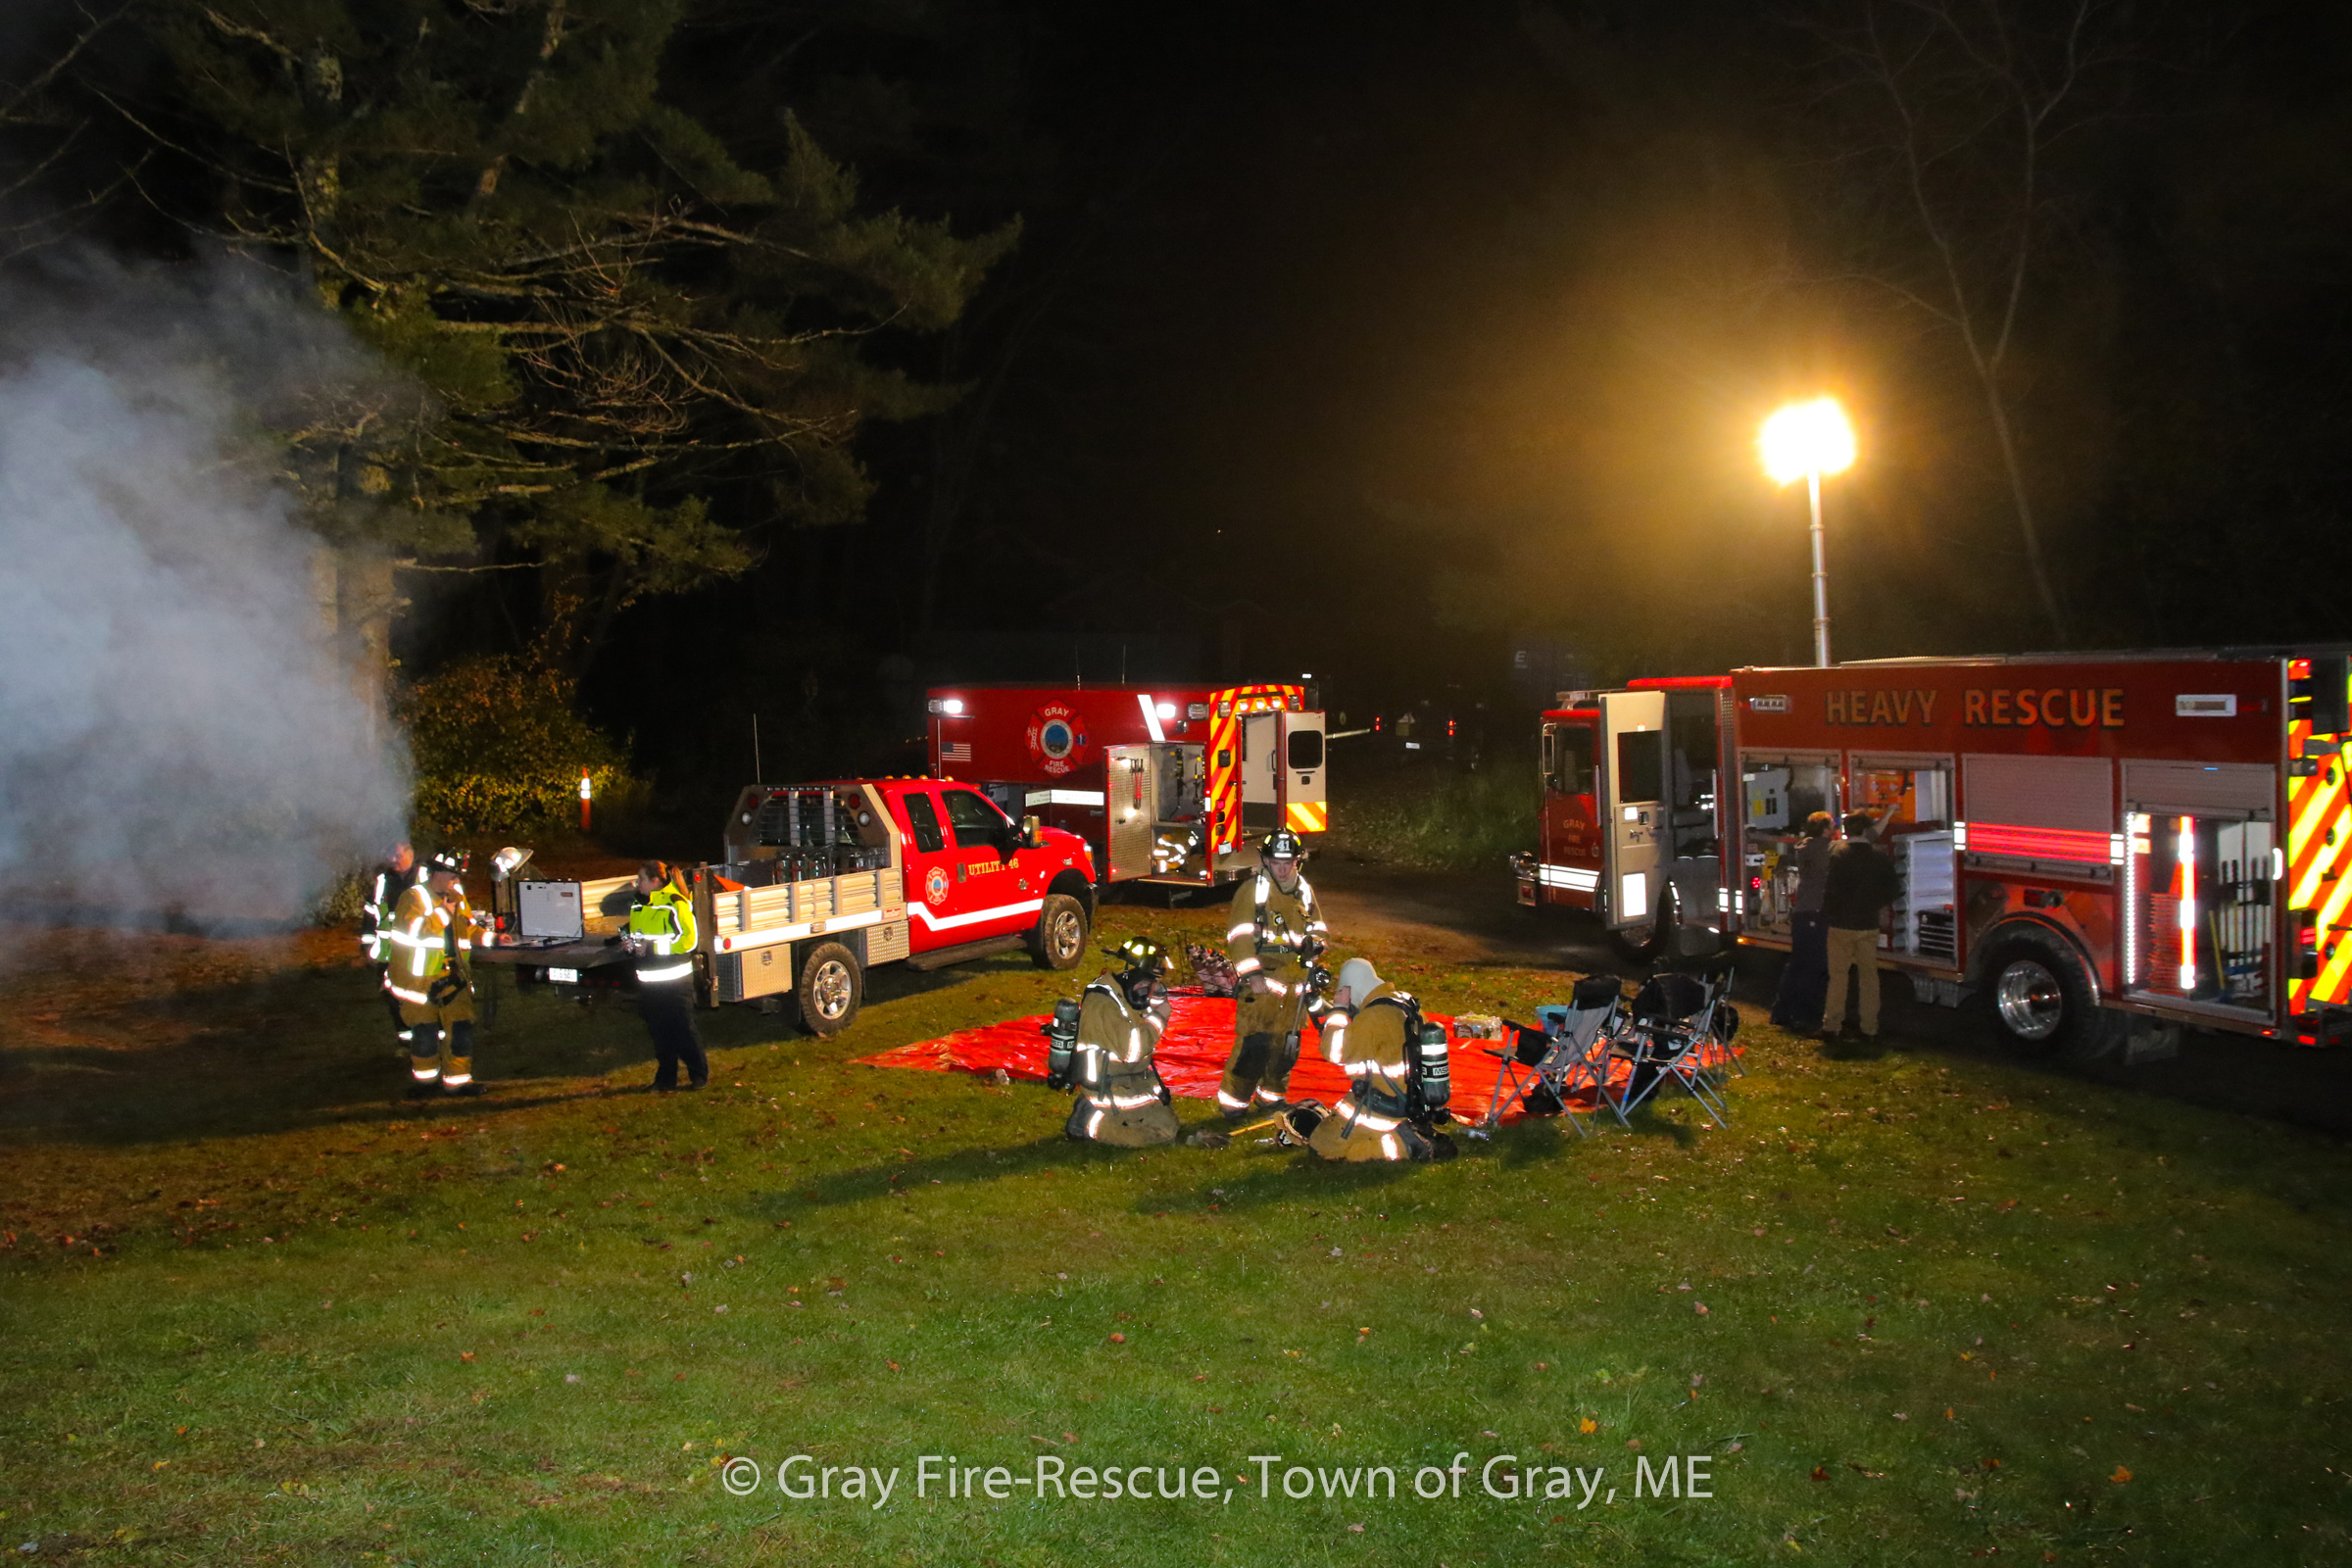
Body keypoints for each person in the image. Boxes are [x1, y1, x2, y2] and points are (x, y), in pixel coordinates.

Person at [1216, 829, 1330, 1119]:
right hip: (1263, 983)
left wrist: (1317, 944)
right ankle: (1234, 1103)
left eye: (1287, 862)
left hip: (1295, 984)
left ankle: (1271, 1099)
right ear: (1266, 861)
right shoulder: (1252, 891)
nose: (1282, 869)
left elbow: (1318, 926)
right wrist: (1252, 974)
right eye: (1276, 862)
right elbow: (1240, 936)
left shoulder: (1304, 890)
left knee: (1285, 1050)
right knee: (1254, 1046)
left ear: (1297, 862)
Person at [1304, 956, 1437, 1162]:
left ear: (1350, 990)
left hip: (1383, 1105)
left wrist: (1339, 1010)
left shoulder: (1374, 1017)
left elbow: (1334, 1051)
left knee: (1324, 1144)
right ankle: (1410, 1130)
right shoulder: (1405, 1001)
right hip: (1415, 1099)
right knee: (1333, 1123)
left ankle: (1405, 1144)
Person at [1058, 936, 1180, 1147]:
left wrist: (1155, 1002)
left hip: (1133, 1082)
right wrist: (1160, 1015)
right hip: (1105, 1087)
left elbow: (1140, 1019)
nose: (1149, 989)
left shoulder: (1127, 993)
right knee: (1139, 1139)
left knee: (1169, 1129)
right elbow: (1134, 1050)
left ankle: (1119, 1118)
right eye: (1147, 983)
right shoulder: (1102, 1004)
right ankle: (1085, 1118)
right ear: (1128, 974)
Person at [387, 851, 483, 1098]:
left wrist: (493, 938)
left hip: (454, 975)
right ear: (437, 873)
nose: (456, 881)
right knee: (425, 1033)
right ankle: (425, 1084)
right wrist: (443, 913)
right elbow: (413, 932)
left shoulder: (456, 896)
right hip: (420, 981)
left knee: (461, 1028)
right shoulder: (413, 897)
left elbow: (467, 928)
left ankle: (458, 1082)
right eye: (453, 876)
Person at [625, 860, 708, 1092]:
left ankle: (698, 1075)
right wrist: (630, 943)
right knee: (659, 1034)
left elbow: (688, 941)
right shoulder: (638, 904)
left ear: (655, 881)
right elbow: (638, 933)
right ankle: (665, 1079)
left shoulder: (675, 903)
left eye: (641, 879)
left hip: (675, 982)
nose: (637, 883)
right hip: (649, 981)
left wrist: (650, 948)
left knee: (683, 1030)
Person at [1822, 812, 1901, 1042]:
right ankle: (1869, 1028)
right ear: (1867, 830)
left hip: (1841, 924)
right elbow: (1894, 889)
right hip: (1868, 924)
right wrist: (1875, 904)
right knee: (1869, 977)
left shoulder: (1838, 856)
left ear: (1846, 832)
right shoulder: (1879, 857)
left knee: (1838, 976)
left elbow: (1830, 889)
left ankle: (1832, 1026)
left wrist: (1830, 913)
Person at [1769, 812, 1836, 1032]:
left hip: (1803, 914)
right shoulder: (1824, 848)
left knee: (1798, 964)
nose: (1835, 827)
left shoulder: (1806, 846)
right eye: (1832, 824)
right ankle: (1803, 1015)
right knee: (1815, 966)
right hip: (1815, 913)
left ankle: (1782, 1012)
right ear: (1825, 829)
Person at [360, 841, 419, 1042]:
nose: (394, 860)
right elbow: (370, 915)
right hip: (388, 953)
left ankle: (425, 1039)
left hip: (418, 951)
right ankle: (405, 1039)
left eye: (398, 855)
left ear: (411, 855)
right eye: (391, 856)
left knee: (418, 997)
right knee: (392, 996)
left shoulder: (425, 878)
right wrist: (367, 946)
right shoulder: (382, 881)